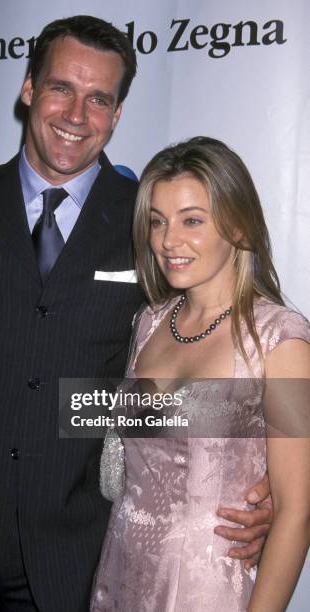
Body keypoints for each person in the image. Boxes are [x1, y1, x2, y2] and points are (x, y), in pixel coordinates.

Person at [0, 16, 271, 611]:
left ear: (116, 115)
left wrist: (267, 481)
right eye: (62, 87)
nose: (76, 115)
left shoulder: (153, 223)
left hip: (81, 552)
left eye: (99, 99)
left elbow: (217, 350)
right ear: (28, 89)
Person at [91, 136, 310, 611]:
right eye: (157, 222)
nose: (169, 241)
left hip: (206, 590)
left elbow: (296, 512)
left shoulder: (281, 340)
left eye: (192, 220)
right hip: (119, 578)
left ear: (238, 225)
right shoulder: (147, 323)